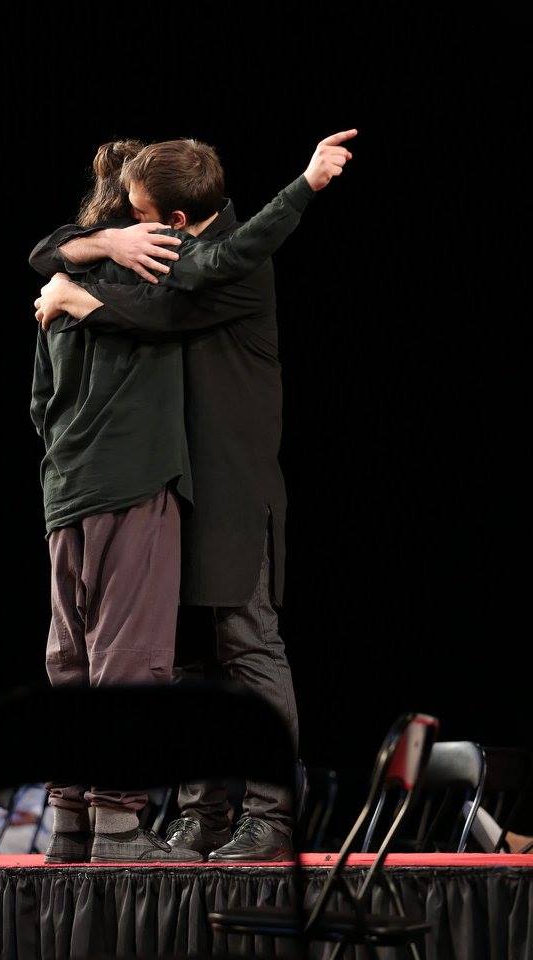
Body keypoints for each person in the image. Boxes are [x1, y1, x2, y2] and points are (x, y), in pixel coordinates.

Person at [33, 131, 356, 861]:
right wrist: (86, 255)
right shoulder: (161, 250)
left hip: (231, 487)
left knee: (248, 646)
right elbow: (53, 249)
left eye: (140, 213)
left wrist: (77, 295)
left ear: (176, 218)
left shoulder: (231, 263)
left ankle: (271, 818)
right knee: (180, 661)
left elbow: (159, 314)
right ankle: (201, 814)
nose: (130, 222)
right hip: (170, 488)